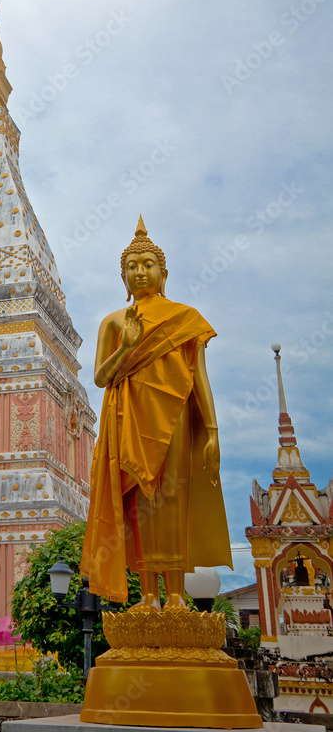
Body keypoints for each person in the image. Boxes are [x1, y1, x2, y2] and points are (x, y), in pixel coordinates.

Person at [81, 217, 232, 609]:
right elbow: (101, 378)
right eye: (131, 267)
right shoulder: (115, 322)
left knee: (172, 500)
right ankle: (148, 596)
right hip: (129, 420)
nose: (140, 271)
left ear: (163, 273)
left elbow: (199, 376)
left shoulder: (186, 318)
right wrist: (125, 346)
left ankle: (177, 595)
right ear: (122, 277)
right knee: (141, 505)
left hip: (177, 420)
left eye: (148, 264)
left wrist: (212, 429)